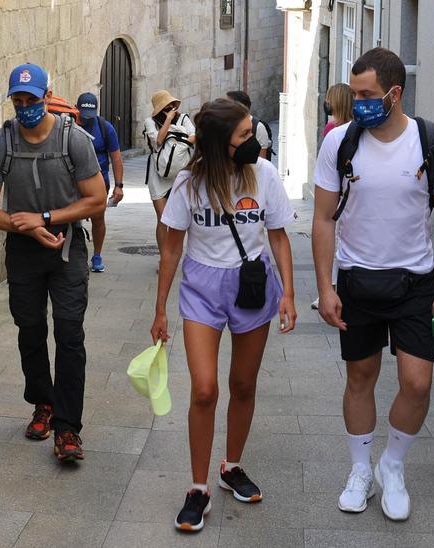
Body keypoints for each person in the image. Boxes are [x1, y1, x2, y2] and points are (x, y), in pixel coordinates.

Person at [311, 48, 434, 521]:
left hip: (414, 283)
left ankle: (392, 467)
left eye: (367, 95)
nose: (358, 103)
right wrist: (326, 287)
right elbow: (321, 219)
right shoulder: (339, 144)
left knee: (417, 383)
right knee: (361, 377)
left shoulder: (431, 143)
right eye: (354, 93)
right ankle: (360, 471)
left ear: (395, 94)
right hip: (356, 280)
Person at [150, 98, 298, 533]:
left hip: (251, 285)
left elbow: (279, 236)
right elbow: (172, 247)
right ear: (219, 146)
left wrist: (289, 292)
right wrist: (160, 308)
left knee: (243, 383)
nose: (254, 141)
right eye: (245, 136)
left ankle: (231, 466)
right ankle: (198, 488)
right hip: (202, 288)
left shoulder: (264, 175)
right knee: (204, 390)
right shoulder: (188, 185)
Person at [0, 63, 107, 462]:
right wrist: (26, 227)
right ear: (12, 99)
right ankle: (43, 404)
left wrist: (47, 219)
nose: (26, 106)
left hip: (67, 249)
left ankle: (68, 429)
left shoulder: (75, 141)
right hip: (24, 249)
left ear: (48, 97)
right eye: (19, 99)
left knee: (69, 334)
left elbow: (96, 200)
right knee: (29, 329)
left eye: (33, 99)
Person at [312, 82, 355, 310]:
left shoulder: (333, 130)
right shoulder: (354, 130)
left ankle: (329, 288)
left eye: (329, 98)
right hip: (348, 196)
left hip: (336, 196)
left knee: (335, 240)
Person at [76, 92, 125, 272]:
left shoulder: (105, 128)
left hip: (99, 182)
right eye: (83, 114)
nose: (86, 119)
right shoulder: (70, 126)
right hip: (73, 182)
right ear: (77, 109)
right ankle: (73, 255)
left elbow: (117, 158)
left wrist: (119, 186)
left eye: (90, 114)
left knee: (98, 219)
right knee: (71, 218)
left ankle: (97, 255)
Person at [143, 90, 195, 251]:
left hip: (181, 174)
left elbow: (194, 136)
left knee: (183, 218)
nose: (171, 108)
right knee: (162, 218)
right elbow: (158, 140)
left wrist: (178, 143)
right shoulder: (150, 122)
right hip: (158, 176)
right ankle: (164, 256)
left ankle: (178, 251)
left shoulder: (184, 118)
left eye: (172, 105)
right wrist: (169, 120)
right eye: (167, 106)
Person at [224, 90, 275, 160]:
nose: (224, 107)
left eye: (227, 105)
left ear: (239, 107)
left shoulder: (258, 127)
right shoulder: (225, 124)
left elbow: (262, 161)